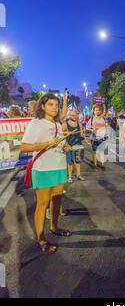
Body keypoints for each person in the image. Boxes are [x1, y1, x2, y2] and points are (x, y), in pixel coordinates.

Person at [20, 93, 72, 254]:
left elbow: (61, 143)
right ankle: (41, 238)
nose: (54, 108)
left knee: (56, 201)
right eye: (50, 104)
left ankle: (54, 227)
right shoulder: (36, 123)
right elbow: (24, 147)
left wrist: (65, 146)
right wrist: (46, 144)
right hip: (43, 169)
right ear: (42, 106)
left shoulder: (57, 123)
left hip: (59, 166)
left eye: (56, 105)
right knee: (42, 205)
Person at [62, 110, 87, 183]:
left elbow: (81, 133)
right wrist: (67, 132)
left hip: (78, 144)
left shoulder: (79, 124)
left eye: (76, 115)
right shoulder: (65, 123)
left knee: (78, 161)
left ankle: (79, 175)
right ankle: (69, 176)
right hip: (69, 145)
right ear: (69, 115)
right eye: (72, 115)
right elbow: (61, 132)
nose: (74, 117)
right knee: (70, 162)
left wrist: (85, 138)